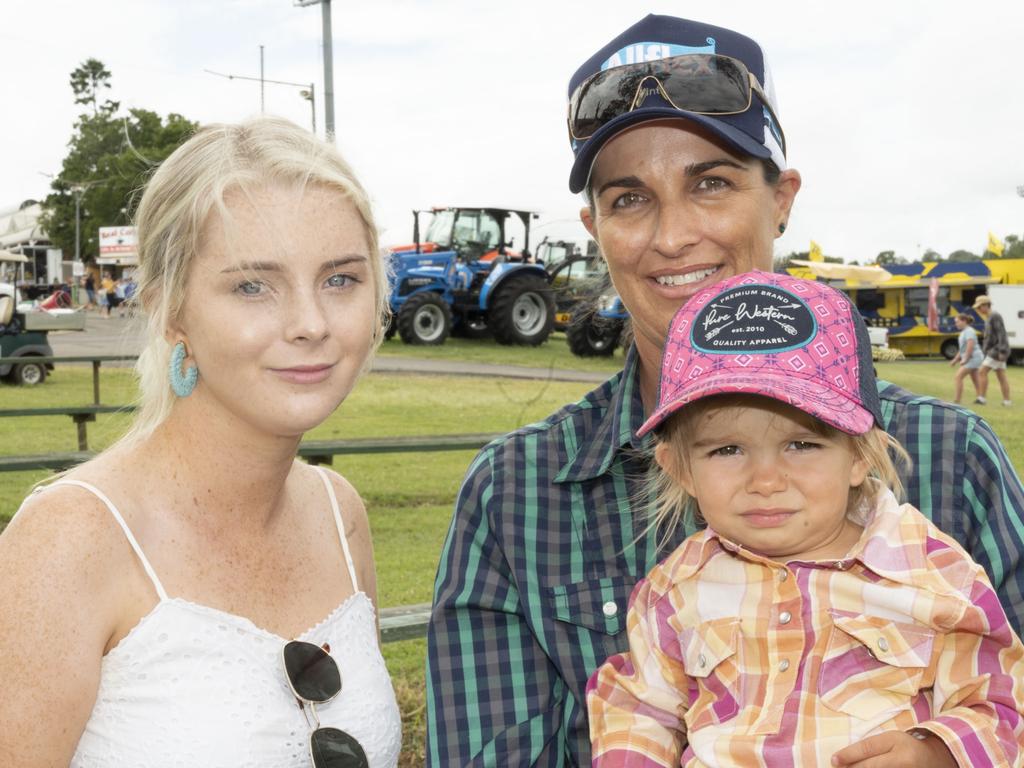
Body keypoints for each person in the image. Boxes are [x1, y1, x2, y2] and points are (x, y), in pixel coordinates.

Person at [426, 15, 1024, 767]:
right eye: (629, 199)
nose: (673, 236)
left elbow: (1008, 693)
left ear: (782, 199)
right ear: (594, 227)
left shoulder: (953, 461)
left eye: (711, 183)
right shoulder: (513, 496)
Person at [0, 117, 402, 767]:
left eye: (340, 279)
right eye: (252, 285)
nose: (309, 323)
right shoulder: (69, 539)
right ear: (172, 310)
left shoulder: (338, 512)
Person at [586, 270, 1024, 767]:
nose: (766, 479)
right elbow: (638, 708)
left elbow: (1003, 703)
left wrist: (937, 752)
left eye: (802, 445)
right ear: (680, 468)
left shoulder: (935, 572)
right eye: (727, 450)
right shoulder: (675, 590)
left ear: (862, 455)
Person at [974, 294, 1012, 406]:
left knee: (982, 371)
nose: (978, 309)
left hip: (996, 351)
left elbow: (1002, 334)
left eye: (979, 307)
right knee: (1001, 376)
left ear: (986, 305)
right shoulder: (990, 317)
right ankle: (1007, 401)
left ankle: (981, 398)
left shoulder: (994, 316)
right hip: (995, 350)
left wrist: (1002, 351)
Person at [949, 312, 983, 404]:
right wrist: (955, 360)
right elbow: (962, 348)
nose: (956, 324)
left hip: (974, 358)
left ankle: (957, 400)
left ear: (964, 321)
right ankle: (981, 398)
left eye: (957, 322)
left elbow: (970, 345)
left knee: (958, 377)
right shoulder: (964, 332)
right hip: (972, 357)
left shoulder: (969, 331)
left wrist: (965, 359)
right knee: (975, 378)